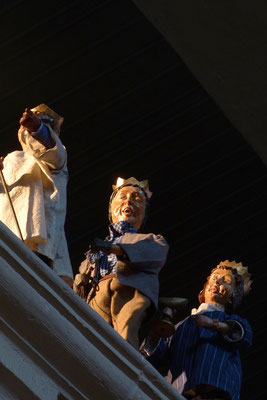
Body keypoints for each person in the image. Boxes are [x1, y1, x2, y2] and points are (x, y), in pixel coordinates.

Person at [73, 176, 169, 349]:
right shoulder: (91, 254)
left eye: (137, 199)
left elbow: (151, 252)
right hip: (97, 294)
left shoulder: (152, 240)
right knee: (91, 339)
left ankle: (126, 367)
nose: (129, 202)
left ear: (144, 213)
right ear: (111, 209)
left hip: (128, 290)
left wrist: (112, 248)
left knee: (124, 333)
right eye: (122, 197)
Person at [146, 260, 253, 400]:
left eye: (226, 281)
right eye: (214, 279)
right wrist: (159, 329)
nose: (217, 282)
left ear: (233, 295)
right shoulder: (181, 326)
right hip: (181, 390)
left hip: (217, 387)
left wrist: (213, 324)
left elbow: (244, 336)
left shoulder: (231, 319)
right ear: (205, 287)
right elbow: (152, 356)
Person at [0, 104, 73, 284]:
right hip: (8, 231)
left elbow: (52, 151)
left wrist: (37, 129)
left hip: (39, 244)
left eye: (45, 123)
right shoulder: (11, 159)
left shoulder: (56, 162)